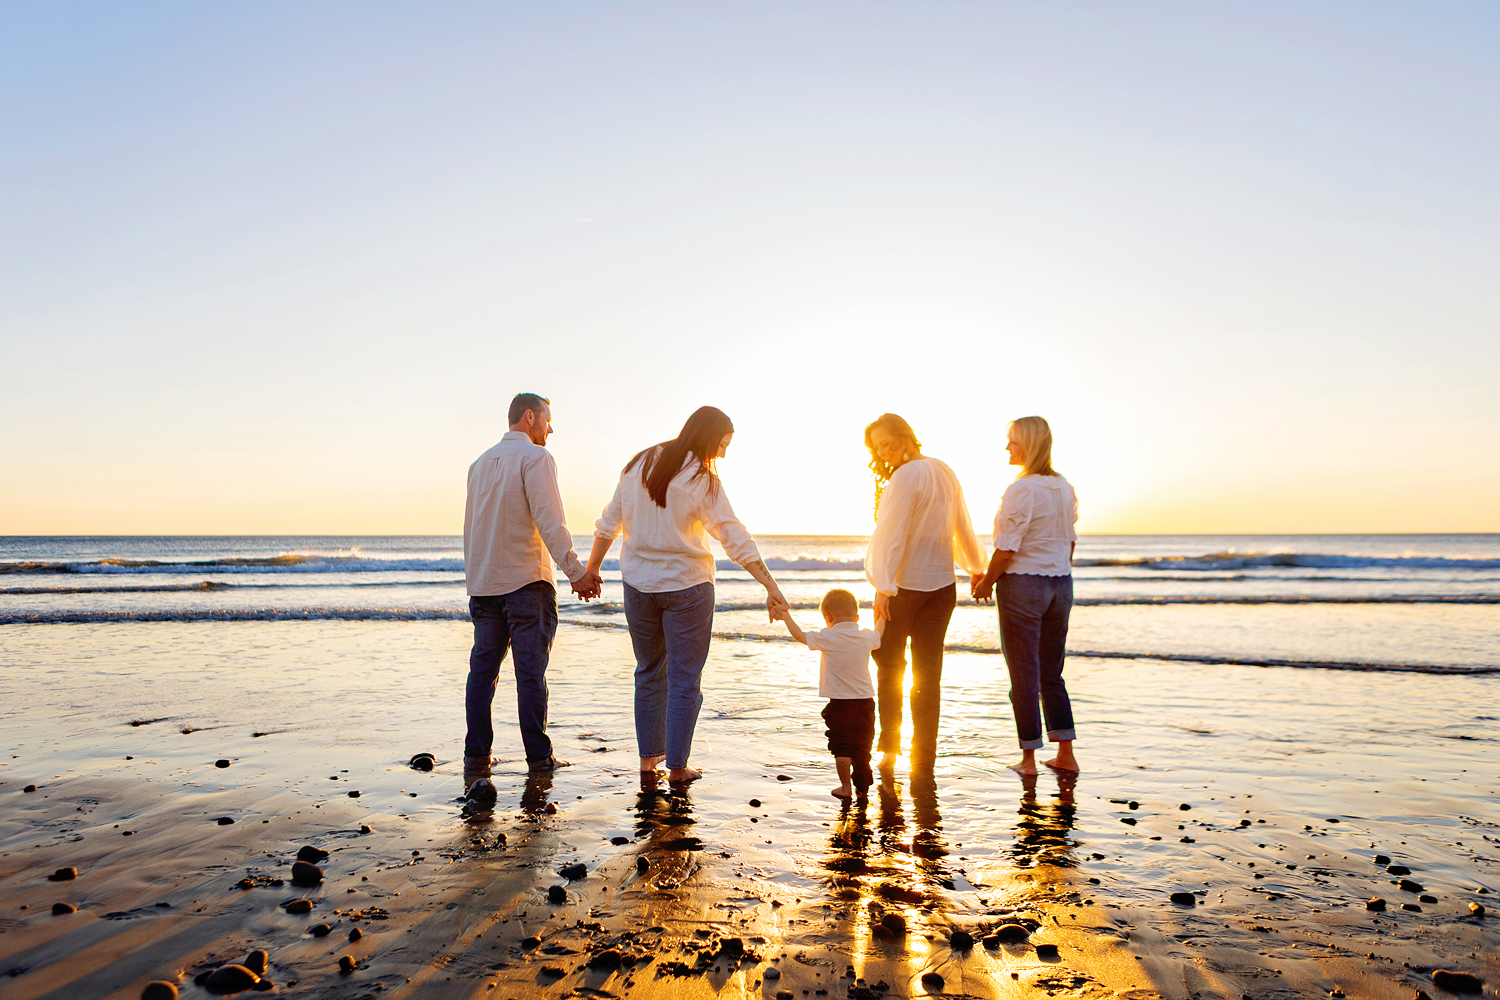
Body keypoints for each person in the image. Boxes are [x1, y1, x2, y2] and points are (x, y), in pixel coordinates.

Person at [585, 406, 788, 785]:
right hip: (688, 589)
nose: (723, 454)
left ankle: (649, 764)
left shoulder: (638, 464)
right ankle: (677, 768)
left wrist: (593, 568)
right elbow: (733, 536)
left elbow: (608, 522)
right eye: (722, 445)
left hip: (639, 588)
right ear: (708, 437)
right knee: (684, 679)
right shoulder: (701, 477)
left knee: (648, 672)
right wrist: (770, 585)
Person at [463, 393, 603, 774]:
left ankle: (476, 755)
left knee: (482, 673)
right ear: (530, 417)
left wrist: (474, 578)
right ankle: (539, 758)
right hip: (526, 583)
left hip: (484, 584)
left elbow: (473, 528)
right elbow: (550, 521)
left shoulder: (478, 465)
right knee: (529, 674)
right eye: (547, 419)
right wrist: (577, 573)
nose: (550, 428)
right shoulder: (536, 458)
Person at [863, 413, 987, 769]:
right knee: (928, 671)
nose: (883, 452)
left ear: (905, 437)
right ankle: (924, 755)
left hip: (904, 589)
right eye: (877, 447)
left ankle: (890, 749)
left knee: (890, 666)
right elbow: (963, 525)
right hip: (943, 588)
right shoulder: (944, 470)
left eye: (887, 443)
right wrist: (976, 567)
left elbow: (891, 536)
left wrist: (883, 588)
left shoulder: (903, 478)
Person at [972, 416, 1079, 775]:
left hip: (1024, 585)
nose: (1007, 447)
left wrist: (987, 582)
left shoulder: (1022, 489)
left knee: (1024, 674)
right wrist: (1059, 574)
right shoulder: (1064, 486)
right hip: (1060, 584)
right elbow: (1070, 542)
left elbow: (1006, 549)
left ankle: (1029, 759)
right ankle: (1066, 754)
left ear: (1029, 445)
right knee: (1052, 672)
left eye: (1013, 441)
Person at [774, 588, 885, 801]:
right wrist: (881, 613)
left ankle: (845, 787)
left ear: (828, 616)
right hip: (865, 703)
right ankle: (863, 787)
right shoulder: (865, 637)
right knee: (862, 746)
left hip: (839, 704)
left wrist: (785, 615)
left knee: (841, 746)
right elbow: (879, 632)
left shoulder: (827, 636)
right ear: (857, 617)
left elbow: (799, 635)